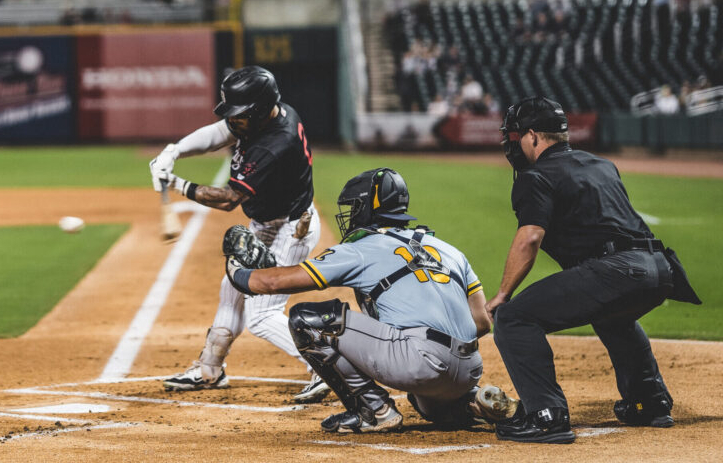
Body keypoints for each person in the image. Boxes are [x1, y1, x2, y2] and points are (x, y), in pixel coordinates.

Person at [220, 168, 519, 433]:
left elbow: (272, 282)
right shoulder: (448, 249)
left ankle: (374, 411)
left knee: (307, 320)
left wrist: (237, 271)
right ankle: (474, 402)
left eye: (353, 207)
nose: (350, 215)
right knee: (428, 404)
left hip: (419, 364)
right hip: (469, 370)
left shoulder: (361, 249)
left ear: (366, 207)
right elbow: (481, 322)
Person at [488, 96, 701, 444]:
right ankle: (649, 402)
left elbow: (529, 238)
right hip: (660, 269)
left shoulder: (534, 176)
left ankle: (547, 416)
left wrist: (502, 295)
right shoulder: (602, 164)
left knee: (514, 318)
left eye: (515, 137)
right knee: (613, 316)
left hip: (616, 269)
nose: (513, 145)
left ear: (533, 136)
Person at [150, 66, 327, 403]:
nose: (234, 120)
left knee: (262, 315)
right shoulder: (267, 115)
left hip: (291, 228)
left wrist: (176, 183)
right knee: (231, 288)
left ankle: (326, 367)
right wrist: (175, 151)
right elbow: (221, 131)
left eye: (239, 114)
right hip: (266, 222)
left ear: (259, 111)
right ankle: (209, 370)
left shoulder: (275, 144)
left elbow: (230, 199)